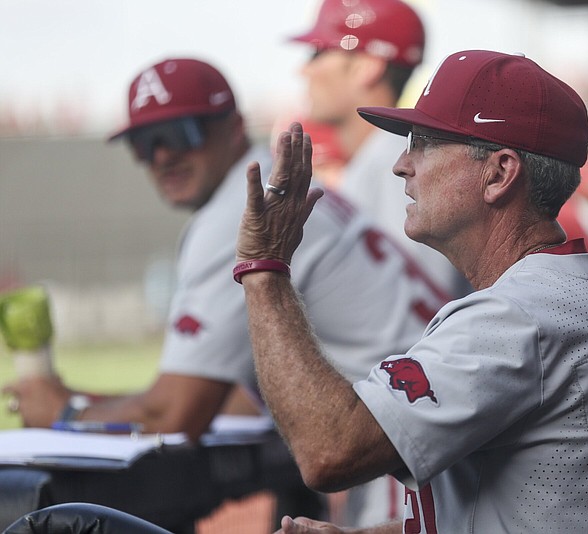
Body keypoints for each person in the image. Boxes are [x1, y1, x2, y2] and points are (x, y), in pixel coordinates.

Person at [235, 49, 588, 533]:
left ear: (499, 173)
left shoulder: (518, 317)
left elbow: (329, 450)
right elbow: (519, 512)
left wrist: (265, 268)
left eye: (425, 143)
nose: (401, 165)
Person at [2, 58, 448, 446]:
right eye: (144, 143)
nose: (161, 156)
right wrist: (81, 402)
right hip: (417, 413)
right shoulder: (266, 183)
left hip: (401, 438)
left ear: (234, 128)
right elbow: (223, 397)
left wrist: (65, 415)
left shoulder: (239, 209)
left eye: (179, 133)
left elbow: (175, 418)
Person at [289, 0, 470, 301]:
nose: (304, 69)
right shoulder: (375, 157)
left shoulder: (397, 162)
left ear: (366, 67)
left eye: (318, 53)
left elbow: (425, 308)